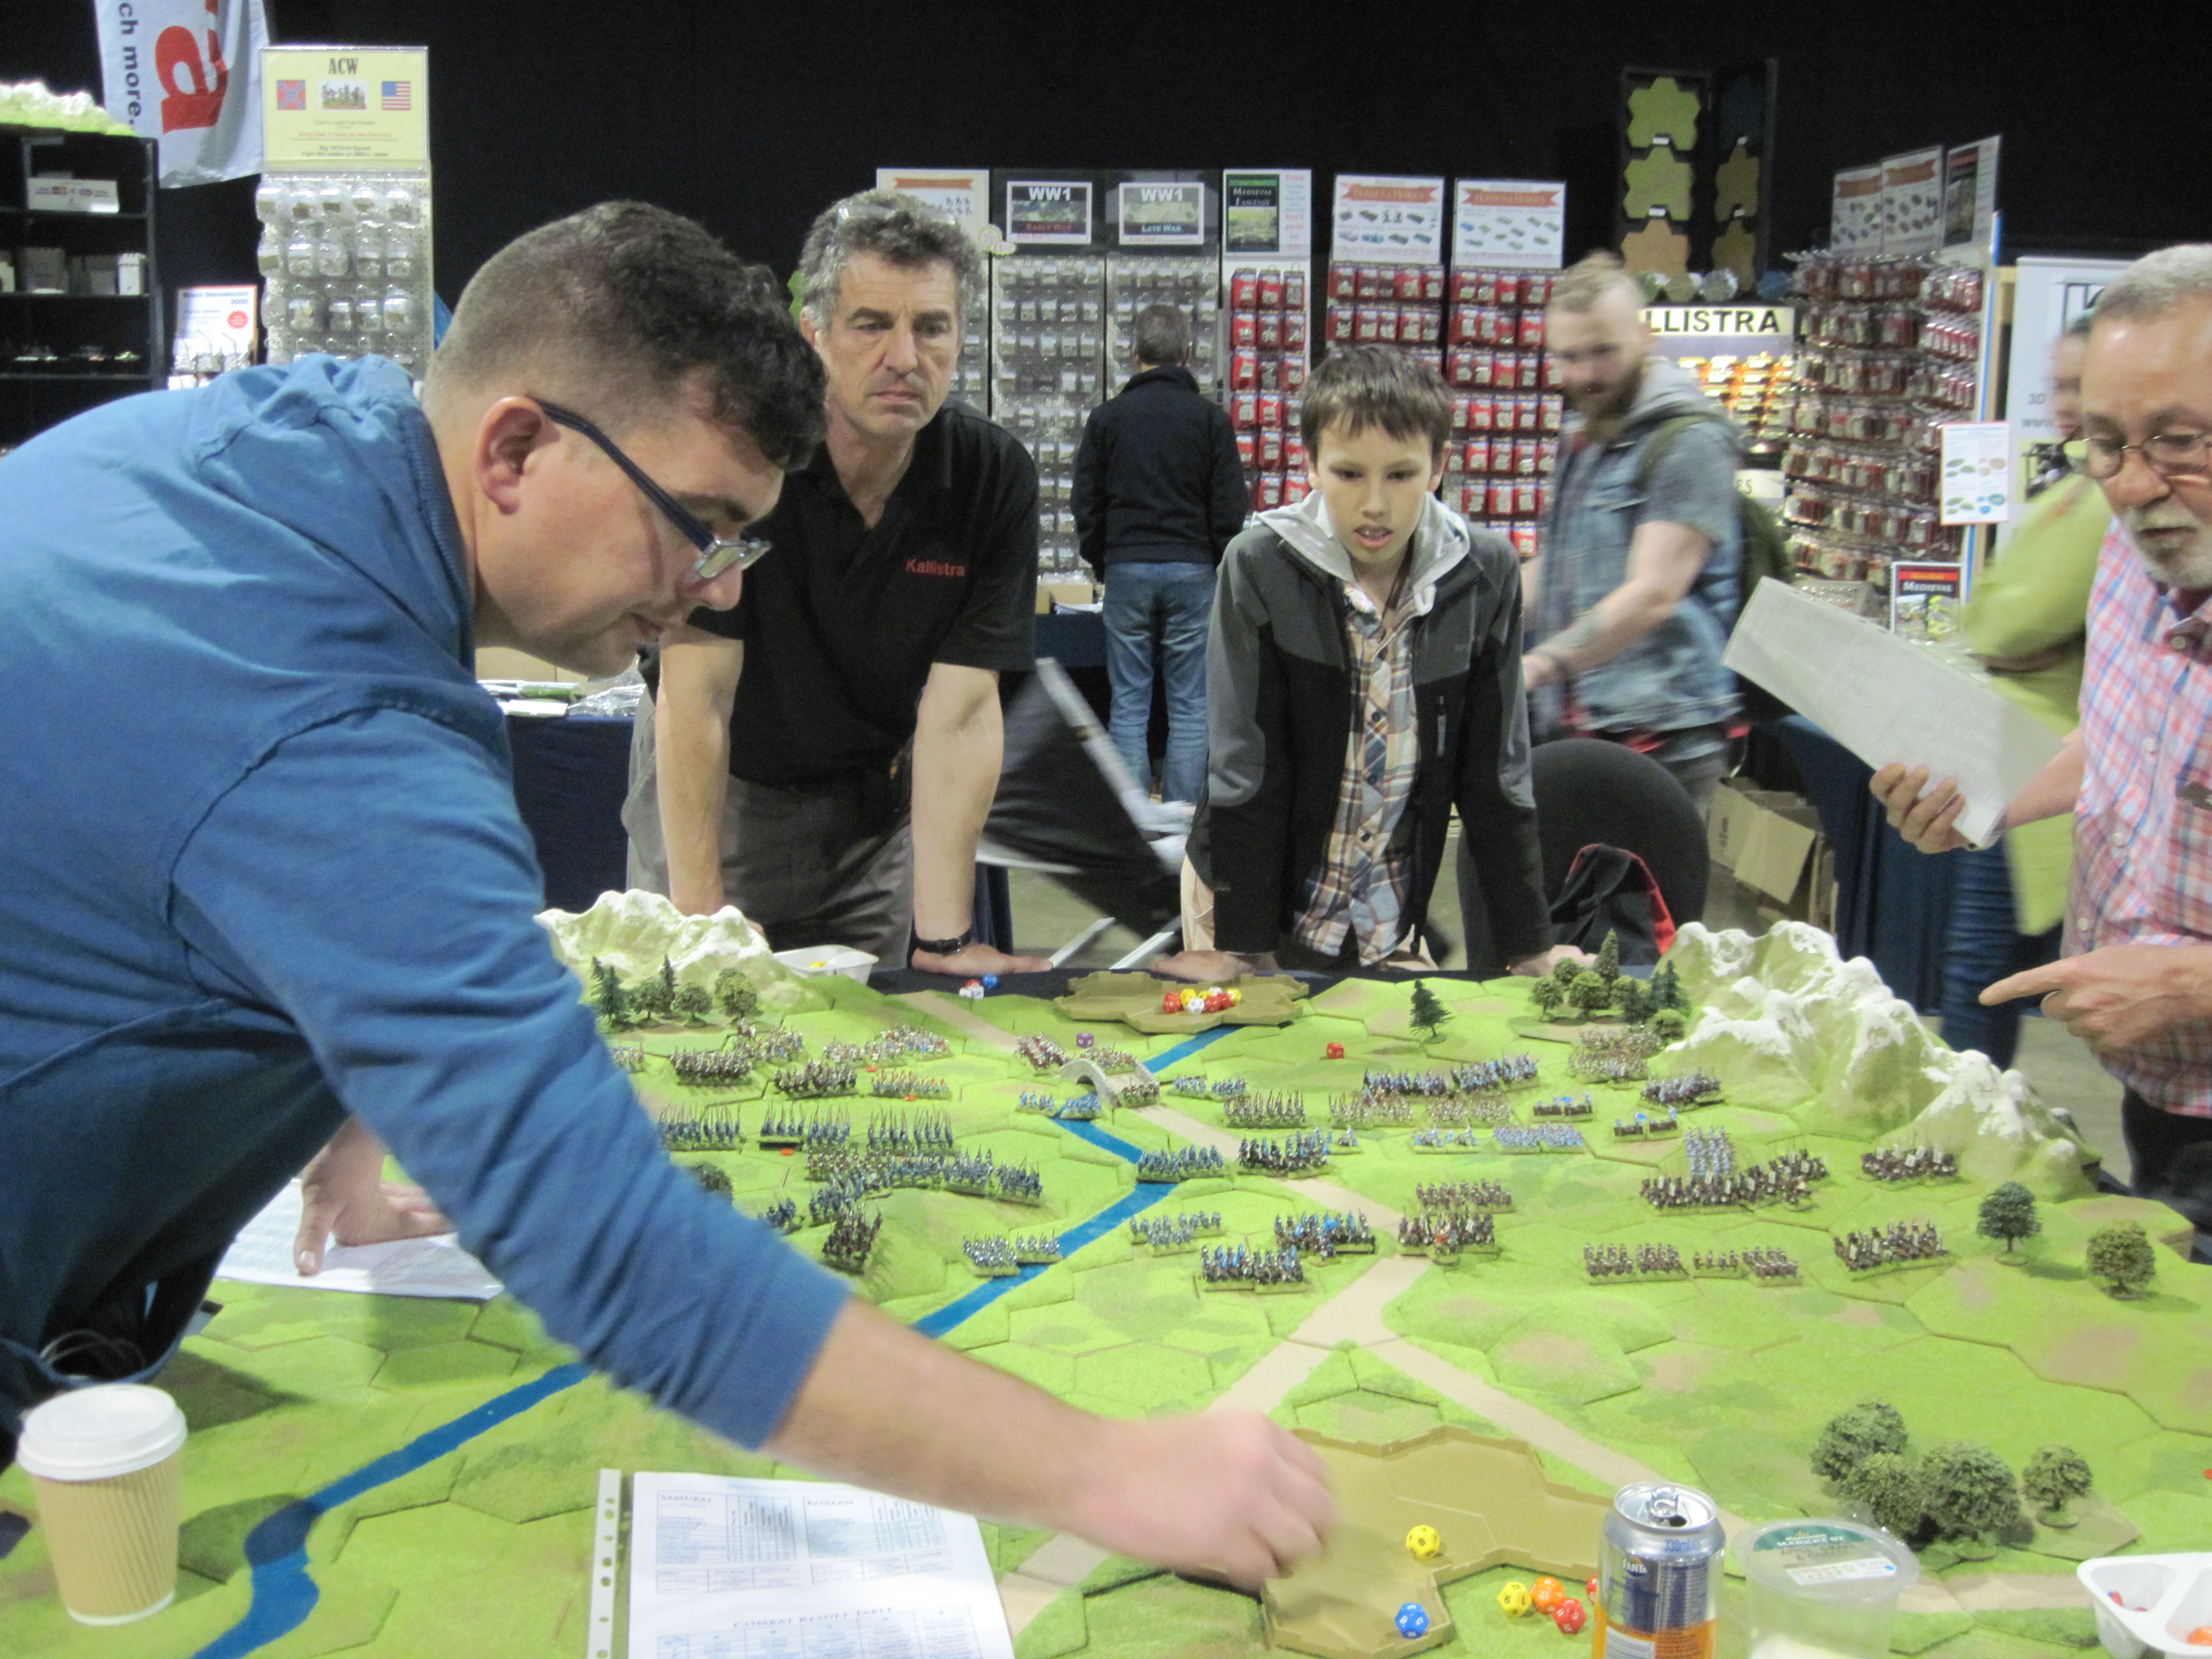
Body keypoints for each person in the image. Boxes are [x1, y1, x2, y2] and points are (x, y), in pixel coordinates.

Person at [0, 201, 1332, 1584]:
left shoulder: (305, 446)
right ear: (515, 448)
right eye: (697, 525)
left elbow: (204, 834)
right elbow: (608, 1246)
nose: (710, 587)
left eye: (738, 541)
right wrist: (1109, 1473)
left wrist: (342, 1076)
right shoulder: (338, 726)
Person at [627, 190, 1050, 979]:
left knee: (877, 1028)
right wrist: (700, 916)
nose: (904, 357)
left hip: (871, 821)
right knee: (700, 1017)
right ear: (812, 331)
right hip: (727, 793)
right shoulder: (745, 461)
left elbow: (960, 715)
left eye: (932, 327)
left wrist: (944, 939)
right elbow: (697, 694)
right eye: (870, 324)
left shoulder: (990, 478)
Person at [1872, 244, 2212, 1227]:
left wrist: (2194, 983)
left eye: (2177, 440)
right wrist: (1985, 800)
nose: (2133, 485)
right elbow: (2124, 740)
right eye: (2104, 443)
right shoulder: (2131, 553)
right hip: (2163, 1100)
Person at [1157, 345, 1580, 982]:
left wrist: (1529, 947)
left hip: (1385, 915)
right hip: (1246, 904)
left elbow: (1496, 775)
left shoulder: (1485, 574)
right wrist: (1243, 945)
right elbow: (1244, 767)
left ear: (1439, 466)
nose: (1375, 505)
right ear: (1311, 464)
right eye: (1349, 474)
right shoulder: (1259, 566)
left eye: (1401, 474)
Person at [1937, 315, 2108, 1067]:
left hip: (2038, 758)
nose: (2065, 404)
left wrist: (2002, 629)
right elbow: (1997, 619)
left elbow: (2006, 621)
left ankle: (1971, 1101)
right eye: (2058, 386)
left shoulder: (2095, 501)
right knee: (1982, 966)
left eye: (2080, 385)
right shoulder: (2072, 490)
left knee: (1981, 969)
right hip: (2020, 750)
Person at [1522, 252, 1744, 812]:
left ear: (1646, 338)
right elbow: (1558, 568)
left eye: (1604, 351)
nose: (1586, 375)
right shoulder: (1588, 436)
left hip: (1662, 737)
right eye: (1569, 357)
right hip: (1581, 730)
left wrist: (1537, 666)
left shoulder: (1689, 441)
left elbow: (1653, 594)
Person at [1073, 302, 1249, 807]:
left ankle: (1134, 822)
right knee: (1190, 704)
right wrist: (1213, 558)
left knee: (1128, 703)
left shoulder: (1107, 419)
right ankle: (1183, 820)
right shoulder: (1211, 420)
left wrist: (1103, 560)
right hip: (1193, 570)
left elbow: (1086, 502)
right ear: (1187, 355)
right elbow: (1230, 506)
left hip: (1127, 568)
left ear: (1135, 354)